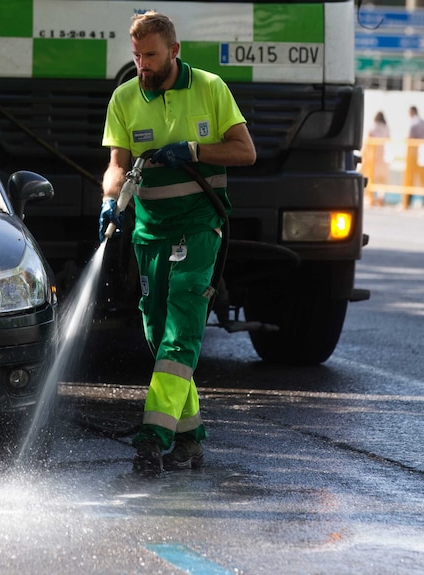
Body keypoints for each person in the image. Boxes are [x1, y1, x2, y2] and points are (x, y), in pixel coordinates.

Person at [99, 10, 256, 474]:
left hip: (199, 228)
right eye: (136, 55)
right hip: (148, 233)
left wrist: (192, 151)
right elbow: (116, 163)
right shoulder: (125, 97)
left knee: (181, 331)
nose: (142, 64)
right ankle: (190, 439)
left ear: (174, 51)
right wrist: (110, 200)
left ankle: (153, 436)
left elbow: (246, 151)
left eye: (150, 55)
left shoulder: (210, 88)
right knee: (157, 335)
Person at [406, 106, 424, 208]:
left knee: (410, 177)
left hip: (414, 153)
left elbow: (410, 137)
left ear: (412, 112)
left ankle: (408, 201)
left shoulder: (413, 124)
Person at [366, 111, 390, 205]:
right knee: (382, 180)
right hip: (382, 156)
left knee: (372, 178)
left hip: (373, 156)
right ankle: (381, 198)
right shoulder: (386, 128)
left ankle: (371, 197)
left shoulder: (373, 126)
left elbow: (368, 139)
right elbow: (388, 139)